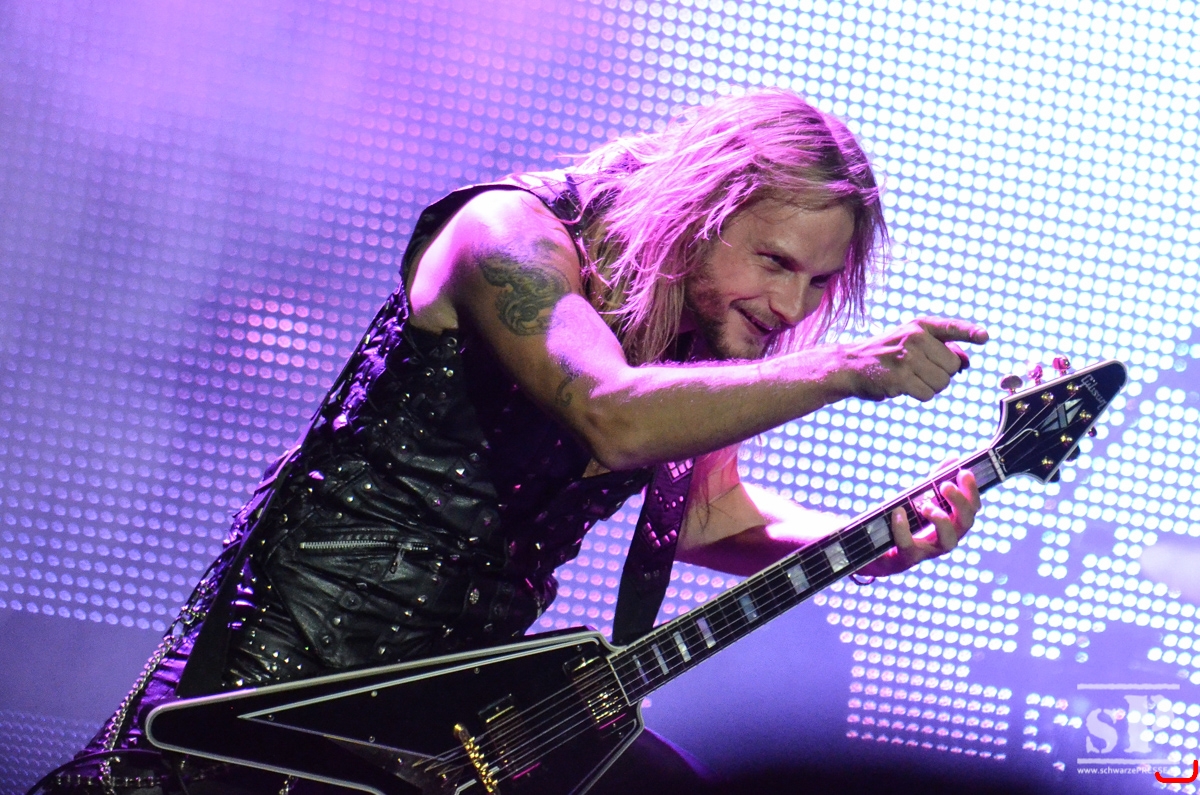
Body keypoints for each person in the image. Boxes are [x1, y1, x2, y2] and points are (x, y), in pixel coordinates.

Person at [32, 88, 987, 794]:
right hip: (272, 699)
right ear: (701, 210)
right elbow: (611, 412)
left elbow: (705, 516)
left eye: (818, 285)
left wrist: (877, 539)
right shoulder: (509, 234)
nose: (791, 307)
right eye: (775, 262)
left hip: (442, 724)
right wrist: (844, 368)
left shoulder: (700, 332)